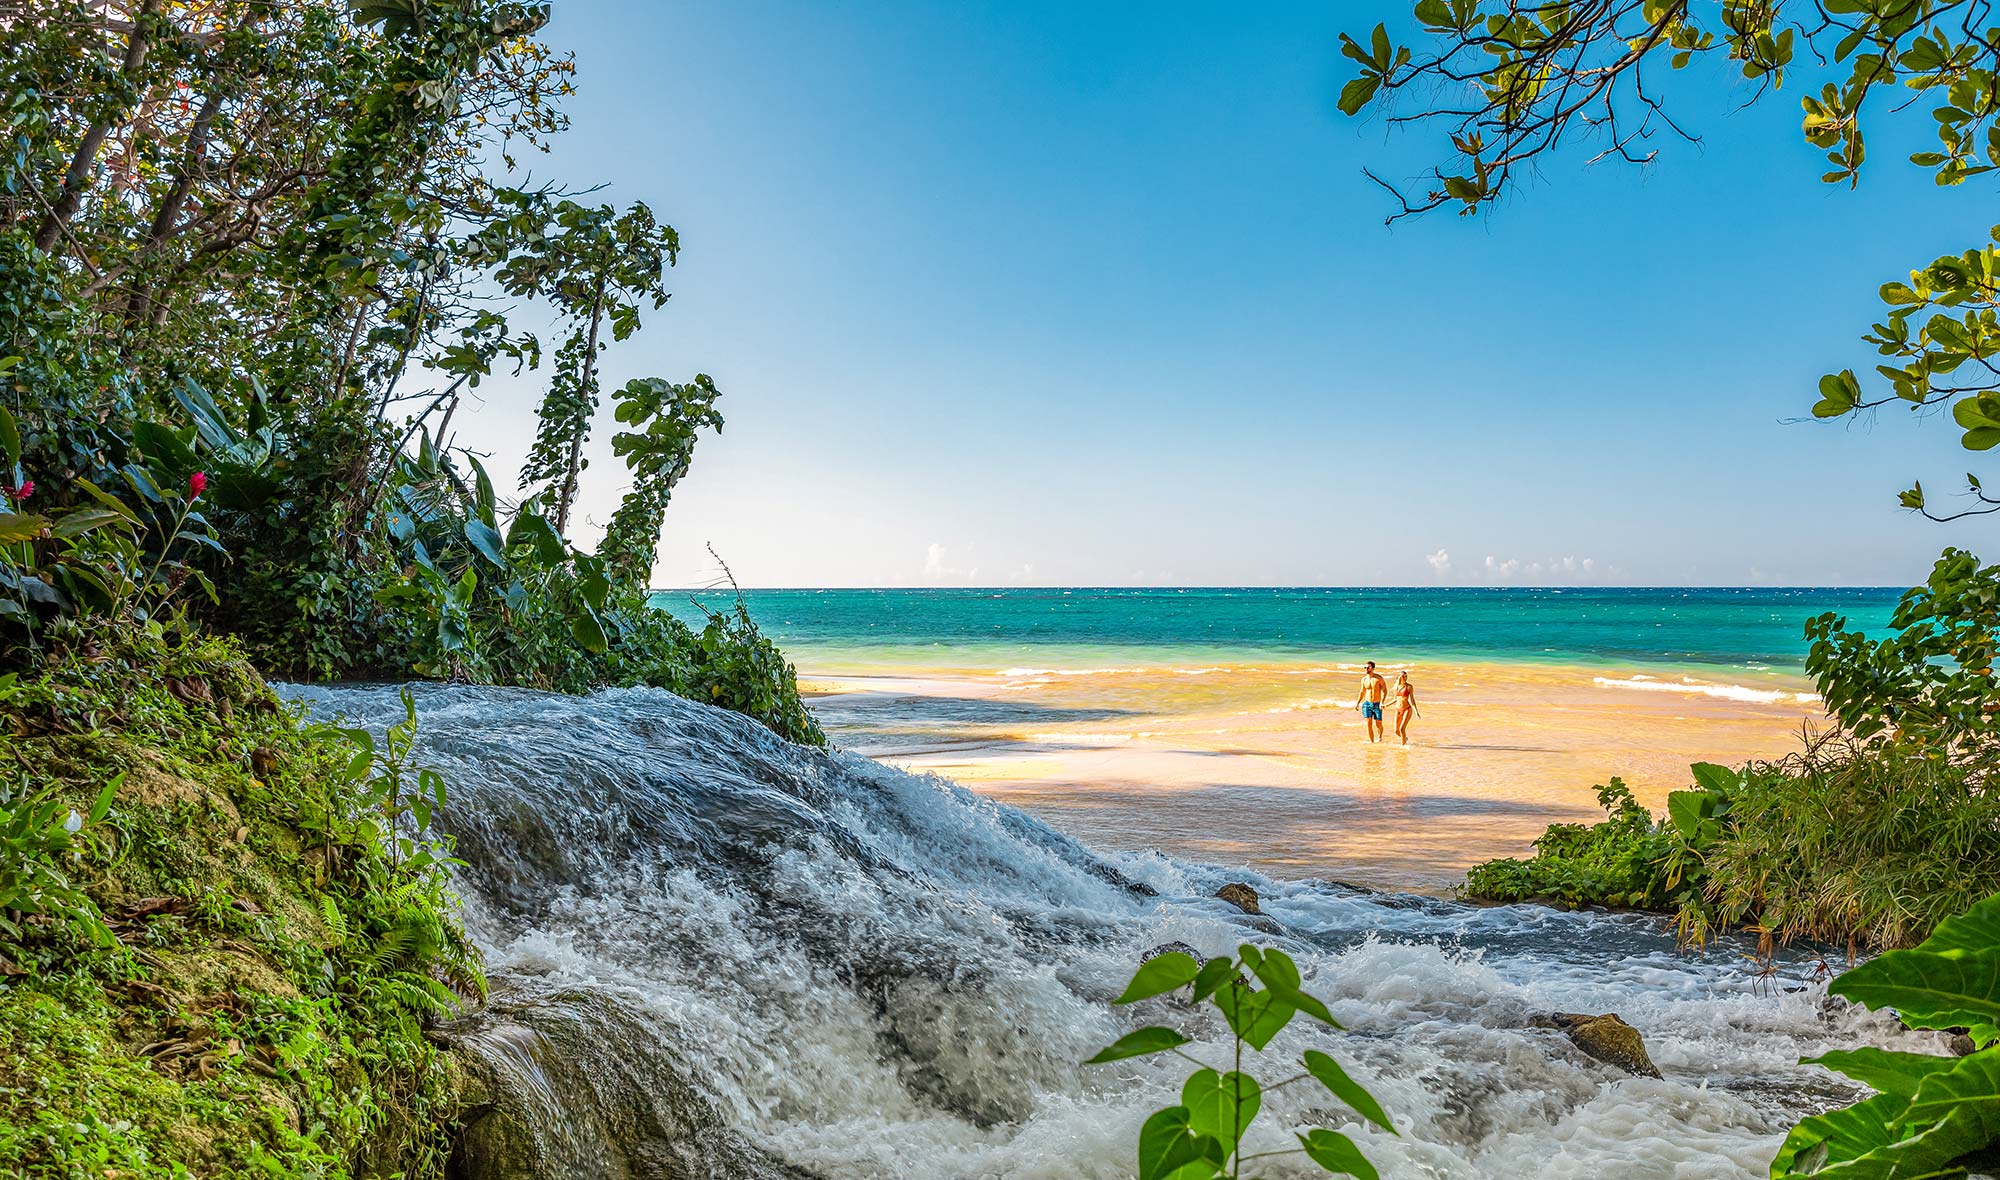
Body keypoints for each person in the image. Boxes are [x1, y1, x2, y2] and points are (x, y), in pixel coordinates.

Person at [1355, 660, 1388, 743]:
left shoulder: (1378, 678)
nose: (1366, 669)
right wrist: (1358, 703)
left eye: (1368, 667)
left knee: (1378, 724)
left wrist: (1382, 702)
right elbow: (1362, 692)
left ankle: (1380, 738)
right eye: (1365, 667)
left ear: (1373, 668)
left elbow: (1384, 690)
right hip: (1367, 704)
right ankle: (1372, 742)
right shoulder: (1364, 680)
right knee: (1368, 723)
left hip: (1377, 704)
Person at [1393, 670, 1418, 746]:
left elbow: (1412, 699)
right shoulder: (1395, 688)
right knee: (1396, 731)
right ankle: (1405, 739)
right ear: (1399, 677)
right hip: (1398, 709)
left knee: (1402, 729)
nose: (1405, 678)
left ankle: (1403, 747)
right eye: (1403, 676)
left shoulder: (1409, 687)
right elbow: (1395, 700)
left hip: (1407, 709)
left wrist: (1416, 712)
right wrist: (1386, 705)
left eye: (1406, 676)